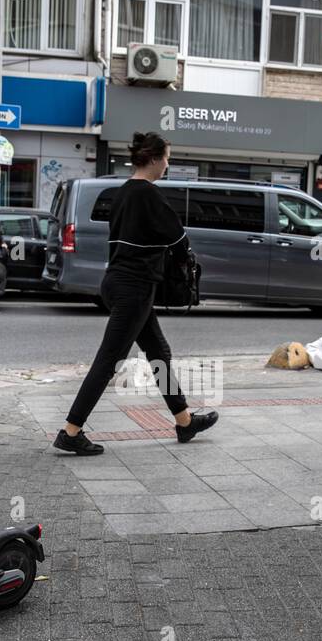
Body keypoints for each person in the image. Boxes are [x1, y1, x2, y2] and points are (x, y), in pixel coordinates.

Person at [54, 131, 217, 456]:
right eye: (167, 157)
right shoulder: (149, 195)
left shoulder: (122, 192)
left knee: (159, 353)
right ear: (154, 158)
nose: (168, 164)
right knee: (108, 361)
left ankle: (184, 422)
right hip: (136, 287)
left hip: (117, 282)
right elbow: (178, 240)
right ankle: (71, 431)